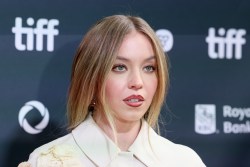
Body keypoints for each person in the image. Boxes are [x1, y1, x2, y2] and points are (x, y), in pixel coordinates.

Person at [18, 15, 206, 167]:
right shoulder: (46, 162)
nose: (137, 82)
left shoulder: (183, 161)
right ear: (90, 78)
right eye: (119, 67)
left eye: (149, 68)